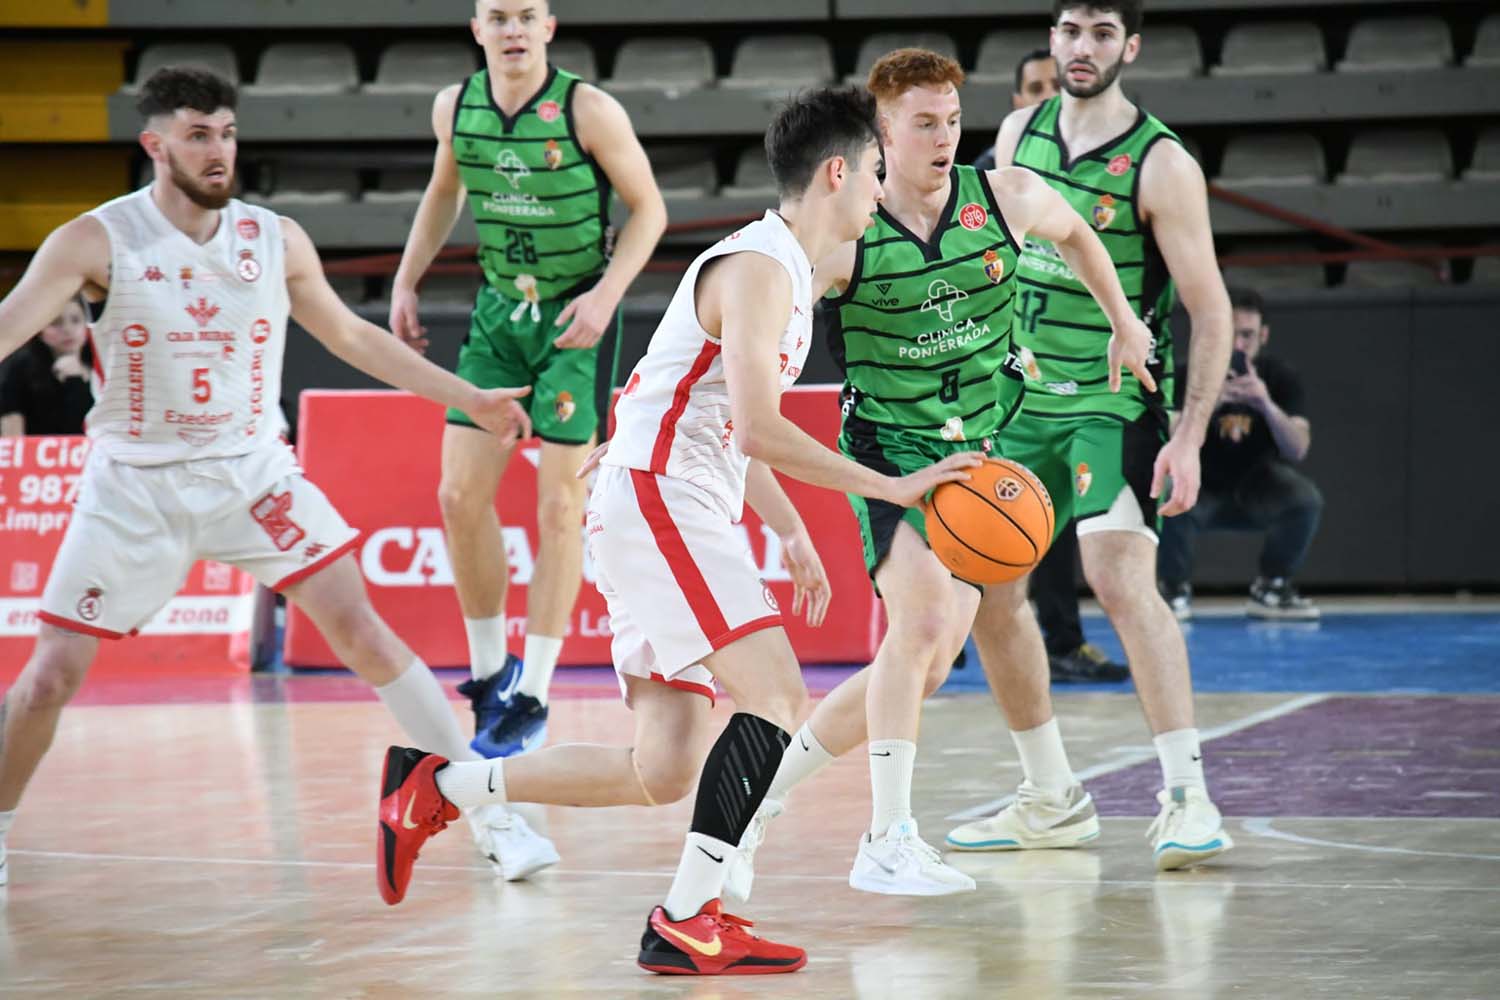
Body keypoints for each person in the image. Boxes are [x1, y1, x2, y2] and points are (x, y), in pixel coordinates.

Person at [375, 86, 980, 975]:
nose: (882, 195)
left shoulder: (784, 273)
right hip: (661, 499)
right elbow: (759, 425)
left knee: (660, 770)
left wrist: (791, 531)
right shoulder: (761, 269)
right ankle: (690, 915)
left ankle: (438, 787)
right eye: (878, 173)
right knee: (774, 696)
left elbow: (730, 423)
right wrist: (893, 483)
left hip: (664, 498)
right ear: (841, 172)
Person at [0, 66, 558, 889]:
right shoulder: (94, 239)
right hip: (135, 487)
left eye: (226, 132)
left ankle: (486, 812)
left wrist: (468, 396)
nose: (218, 150)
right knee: (50, 676)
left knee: (364, 633)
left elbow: (354, 339)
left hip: (253, 474)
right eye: (197, 134)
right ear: (155, 145)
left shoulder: (275, 237)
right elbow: (9, 326)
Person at [719, 48, 1159, 902]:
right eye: (924, 123)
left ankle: (753, 803)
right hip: (891, 451)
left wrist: (1124, 322)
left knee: (917, 667)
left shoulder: (1008, 198)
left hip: (984, 449)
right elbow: (750, 340)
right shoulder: (844, 242)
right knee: (917, 628)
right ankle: (887, 838)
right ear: (882, 132)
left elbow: (1080, 235)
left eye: (953, 120)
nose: (945, 137)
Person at [953, 0, 1237, 871]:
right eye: (1072, 31)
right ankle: (1050, 796)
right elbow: (985, 267)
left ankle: (1188, 796)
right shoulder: (1014, 132)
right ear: (1051, 39)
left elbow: (1210, 309)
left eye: (1103, 34)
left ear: (1131, 47)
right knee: (991, 594)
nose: (1084, 49)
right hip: (1018, 397)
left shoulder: (1161, 164)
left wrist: (1187, 435)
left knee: (1117, 577)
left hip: (1110, 401)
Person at [390, 0, 667, 759]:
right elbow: (445, 192)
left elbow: (649, 210)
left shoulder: (589, 109)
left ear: (549, 27)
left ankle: (536, 693)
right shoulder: (456, 106)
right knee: (457, 496)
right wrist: (407, 280)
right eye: (497, 16)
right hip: (497, 317)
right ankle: (491, 673)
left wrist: (607, 296)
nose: (512, 29)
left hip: (573, 322)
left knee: (560, 505)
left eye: (526, 15)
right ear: (476, 29)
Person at [975, 47, 1126, 684]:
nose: (1043, 96)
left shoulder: (1105, 177)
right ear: (1016, 103)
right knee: (979, 518)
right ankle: (947, 631)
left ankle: (1063, 639)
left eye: (1049, 85)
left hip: (1080, 380)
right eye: (1031, 87)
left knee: (1055, 527)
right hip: (996, 371)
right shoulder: (986, 179)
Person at [1158, 286, 1321, 621]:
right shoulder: (1190, 373)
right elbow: (1169, 435)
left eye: (1247, 335)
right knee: (1166, 491)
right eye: (1231, 334)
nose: (1238, 345)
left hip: (1257, 484)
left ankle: (1272, 588)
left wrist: (1265, 404)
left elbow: (1299, 448)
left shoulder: (1279, 376)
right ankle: (1173, 590)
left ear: (1263, 335)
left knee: (1305, 500)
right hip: (1201, 483)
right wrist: (1209, 401)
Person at [0, 294, 93, 436]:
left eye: (76, 320)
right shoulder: (18, 367)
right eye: (56, 322)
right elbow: (12, 435)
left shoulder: (101, 364)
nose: (67, 329)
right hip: (37, 454)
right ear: (40, 330)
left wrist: (75, 381)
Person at [971, 49, 1059, 172]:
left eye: (1058, 86)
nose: (1049, 96)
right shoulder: (987, 169)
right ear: (1018, 103)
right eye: (1036, 89)